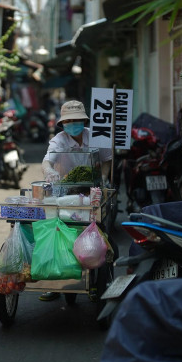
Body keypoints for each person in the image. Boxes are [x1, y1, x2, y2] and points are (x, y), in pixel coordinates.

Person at [38, 100, 113, 301]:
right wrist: (50, 171)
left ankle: (97, 276)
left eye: (76, 120)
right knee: (62, 232)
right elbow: (47, 160)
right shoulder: (59, 141)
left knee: (97, 231)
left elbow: (107, 160)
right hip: (66, 194)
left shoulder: (96, 136)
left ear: (84, 120)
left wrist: (104, 178)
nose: (73, 123)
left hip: (92, 193)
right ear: (62, 124)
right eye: (68, 121)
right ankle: (56, 281)